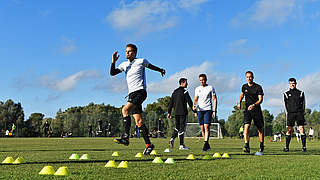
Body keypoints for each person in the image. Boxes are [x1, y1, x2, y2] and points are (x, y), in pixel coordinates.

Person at [110, 43, 165, 155]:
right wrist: (113, 62)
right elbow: (112, 73)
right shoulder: (124, 64)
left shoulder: (141, 61)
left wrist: (160, 70)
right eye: (126, 51)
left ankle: (126, 137)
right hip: (132, 94)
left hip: (140, 92)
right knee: (139, 122)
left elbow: (151, 66)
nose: (127, 53)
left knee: (125, 110)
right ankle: (149, 145)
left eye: (129, 51)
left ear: (135, 53)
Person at [238, 71, 264, 153]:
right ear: (246, 78)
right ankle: (247, 146)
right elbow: (242, 95)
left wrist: (254, 105)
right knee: (246, 128)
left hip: (256, 110)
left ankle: (261, 145)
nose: (249, 78)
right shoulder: (244, 86)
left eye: (250, 77)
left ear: (253, 77)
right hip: (247, 111)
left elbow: (260, 100)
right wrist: (239, 102)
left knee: (260, 129)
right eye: (247, 77)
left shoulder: (258, 87)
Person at [168, 78, 196, 150]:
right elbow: (190, 102)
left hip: (176, 113)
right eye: (186, 83)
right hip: (183, 112)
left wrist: (169, 112)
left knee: (177, 127)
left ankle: (172, 139)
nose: (187, 84)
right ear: (183, 83)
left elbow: (171, 103)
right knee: (182, 129)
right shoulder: (185, 92)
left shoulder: (174, 92)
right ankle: (181, 145)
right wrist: (195, 111)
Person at [193, 74, 218, 151]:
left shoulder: (210, 88)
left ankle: (205, 143)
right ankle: (207, 144)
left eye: (203, 80)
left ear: (206, 79)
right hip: (200, 110)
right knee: (202, 128)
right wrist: (194, 108)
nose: (202, 81)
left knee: (206, 127)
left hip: (208, 109)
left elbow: (214, 99)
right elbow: (195, 100)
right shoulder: (197, 89)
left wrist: (214, 110)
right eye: (200, 80)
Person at [283, 78, 307, 152]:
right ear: (289, 84)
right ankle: (286, 147)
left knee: (301, 129)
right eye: (291, 83)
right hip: (290, 114)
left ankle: (304, 147)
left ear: (296, 84)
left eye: (293, 83)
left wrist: (302, 112)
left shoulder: (301, 93)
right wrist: (288, 112)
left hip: (299, 113)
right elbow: (285, 105)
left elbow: (303, 104)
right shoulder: (286, 94)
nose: (292, 84)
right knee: (289, 130)